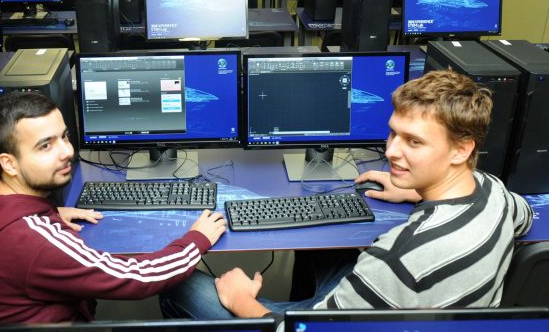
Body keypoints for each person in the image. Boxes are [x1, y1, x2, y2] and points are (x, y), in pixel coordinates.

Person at [160, 69, 533, 320]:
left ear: (461, 149)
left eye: (414, 142)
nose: (390, 152)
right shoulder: (494, 192)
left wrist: (242, 299)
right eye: (393, 134)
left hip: (340, 321)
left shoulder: (400, 258)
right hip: (414, 309)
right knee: (332, 245)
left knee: (178, 285)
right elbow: (526, 217)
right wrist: (416, 193)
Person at [0, 92, 226, 324]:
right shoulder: (36, 244)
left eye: (65, 136)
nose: (67, 152)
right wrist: (197, 239)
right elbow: (137, 277)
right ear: (9, 163)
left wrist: (47, 213)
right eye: (45, 146)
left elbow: (11, 233)